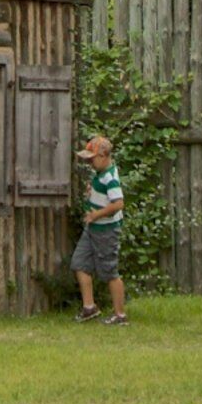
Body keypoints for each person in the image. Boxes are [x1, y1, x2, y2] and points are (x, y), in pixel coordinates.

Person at [71, 132, 129, 324]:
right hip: (93, 228)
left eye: (92, 160)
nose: (89, 164)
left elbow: (118, 204)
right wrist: (92, 193)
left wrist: (96, 214)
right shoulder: (100, 175)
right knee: (79, 263)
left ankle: (120, 315)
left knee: (110, 272)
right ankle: (90, 308)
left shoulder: (110, 178)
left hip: (106, 231)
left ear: (103, 156)